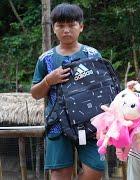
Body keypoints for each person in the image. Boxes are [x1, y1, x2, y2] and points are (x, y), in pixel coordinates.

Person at [30, 3, 104, 180]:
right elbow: (35, 93)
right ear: (54, 28)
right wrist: (49, 79)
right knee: (59, 173)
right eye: (61, 25)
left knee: (96, 168)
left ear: (81, 27)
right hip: (57, 124)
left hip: (90, 123)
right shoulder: (46, 59)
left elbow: (104, 88)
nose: (66, 30)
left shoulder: (92, 54)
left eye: (71, 25)